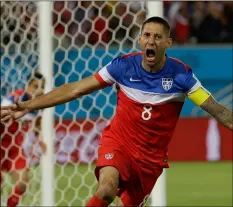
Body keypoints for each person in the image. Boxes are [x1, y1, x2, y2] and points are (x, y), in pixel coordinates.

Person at [1, 17, 232, 207]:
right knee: (106, 189)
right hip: (118, 143)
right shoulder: (121, 67)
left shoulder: (182, 76)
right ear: (140, 39)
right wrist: (30, 105)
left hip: (150, 161)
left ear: (168, 43)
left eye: (158, 37)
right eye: (147, 35)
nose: (151, 41)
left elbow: (217, 110)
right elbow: (75, 89)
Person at [0, 71, 47, 207]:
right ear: (27, 86)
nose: (38, 90)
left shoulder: (39, 105)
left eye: (41, 87)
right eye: (35, 86)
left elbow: (37, 122)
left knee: (23, 181)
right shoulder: (14, 99)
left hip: (14, 147)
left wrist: (39, 139)